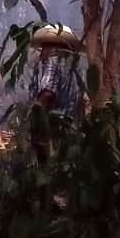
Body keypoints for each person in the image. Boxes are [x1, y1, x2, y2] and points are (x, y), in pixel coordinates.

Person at [28, 26, 84, 162]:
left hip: (54, 128)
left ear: (50, 47)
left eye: (43, 47)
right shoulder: (74, 67)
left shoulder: (52, 62)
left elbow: (47, 93)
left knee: (49, 165)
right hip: (70, 128)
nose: (41, 52)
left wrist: (36, 124)